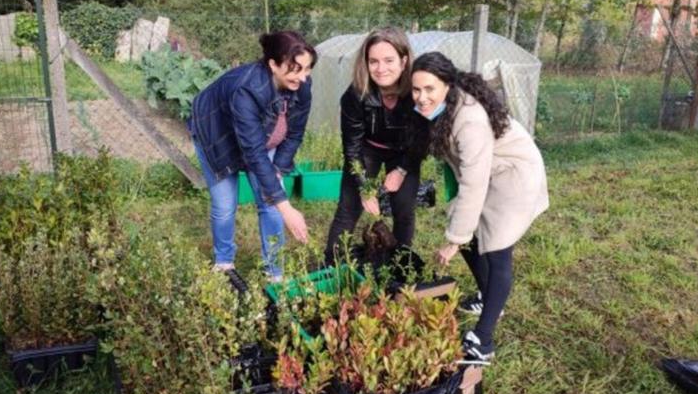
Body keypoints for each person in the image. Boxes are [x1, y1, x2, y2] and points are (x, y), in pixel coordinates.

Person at [411, 51, 549, 364]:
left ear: (447, 85)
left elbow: (473, 183)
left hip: (513, 175)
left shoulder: (469, 119)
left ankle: (483, 342)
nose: (421, 97)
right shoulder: (439, 107)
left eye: (429, 89)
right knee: (470, 237)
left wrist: (454, 238)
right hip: (489, 173)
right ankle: (489, 299)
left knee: (497, 250)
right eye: (416, 90)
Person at [188, 31, 316, 281]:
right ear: (273, 64)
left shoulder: (302, 84)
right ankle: (224, 262)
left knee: (270, 203)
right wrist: (287, 207)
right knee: (225, 205)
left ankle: (274, 271)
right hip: (216, 136)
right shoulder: (247, 89)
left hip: (259, 139)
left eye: (307, 69)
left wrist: (278, 168)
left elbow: (295, 133)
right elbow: (254, 153)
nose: (302, 77)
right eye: (295, 69)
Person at [324, 27, 429, 264]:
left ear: (404, 61)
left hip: (405, 151)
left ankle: (400, 266)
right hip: (367, 149)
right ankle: (332, 267)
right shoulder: (355, 95)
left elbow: (422, 139)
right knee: (348, 209)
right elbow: (351, 147)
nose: (381, 69)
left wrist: (402, 170)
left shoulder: (419, 92)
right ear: (366, 63)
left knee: (403, 210)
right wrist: (363, 187)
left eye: (389, 60)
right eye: (374, 61)